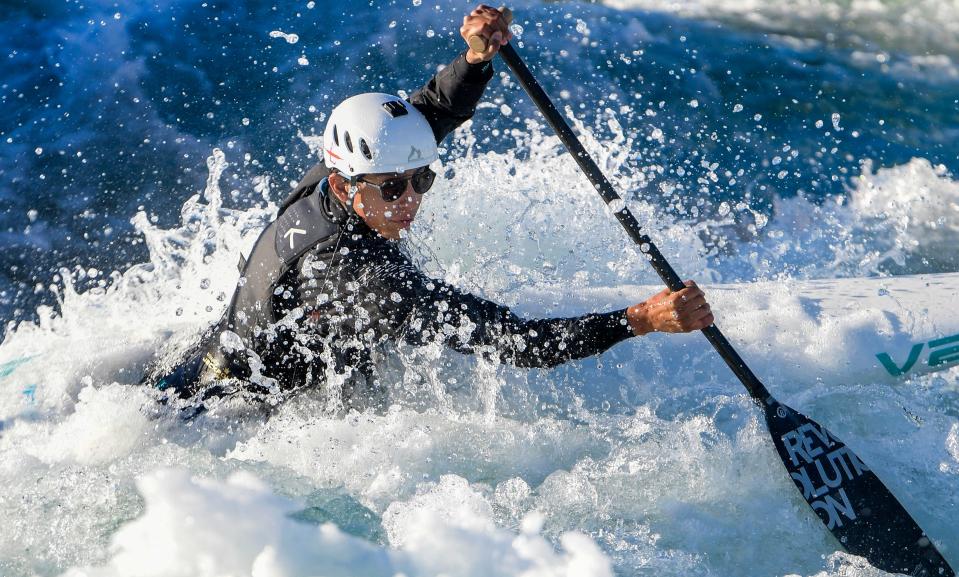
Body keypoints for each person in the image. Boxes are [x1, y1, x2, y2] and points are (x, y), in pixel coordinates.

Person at [149, 4, 714, 413]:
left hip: (212, 354)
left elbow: (429, 113)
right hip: (227, 415)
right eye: (393, 189)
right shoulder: (360, 278)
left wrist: (475, 58)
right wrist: (639, 320)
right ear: (348, 187)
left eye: (422, 179)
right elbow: (518, 343)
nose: (411, 200)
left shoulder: (332, 173)